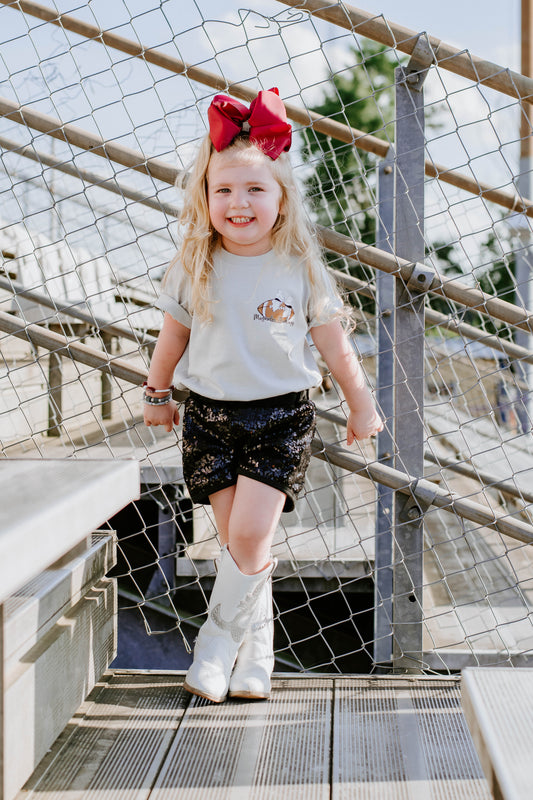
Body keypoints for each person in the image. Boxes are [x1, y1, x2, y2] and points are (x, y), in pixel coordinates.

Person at [143, 88, 383, 703]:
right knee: (239, 547)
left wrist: (360, 403)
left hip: (280, 418)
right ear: (205, 197)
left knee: (249, 537)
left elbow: (335, 346)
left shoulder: (299, 265)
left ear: (282, 198)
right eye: (223, 190)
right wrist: (157, 393)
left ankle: (214, 647)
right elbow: (172, 338)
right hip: (209, 418)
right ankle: (258, 657)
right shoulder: (194, 263)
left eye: (255, 189)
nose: (239, 203)